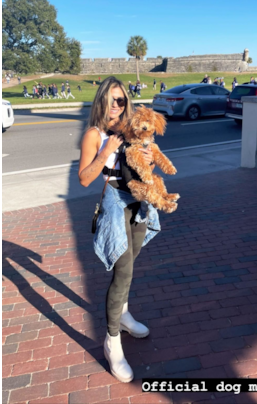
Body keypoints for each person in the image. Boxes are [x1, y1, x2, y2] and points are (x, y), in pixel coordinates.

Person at [78, 77, 157, 383]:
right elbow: (84, 179)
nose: (116, 106)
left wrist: (148, 159)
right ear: (101, 101)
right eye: (111, 100)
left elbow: (144, 164)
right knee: (122, 269)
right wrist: (105, 150)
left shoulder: (131, 130)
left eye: (121, 100)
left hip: (136, 198)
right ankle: (112, 342)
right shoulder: (94, 134)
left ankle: (122, 314)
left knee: (131, 263)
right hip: (114, 201)